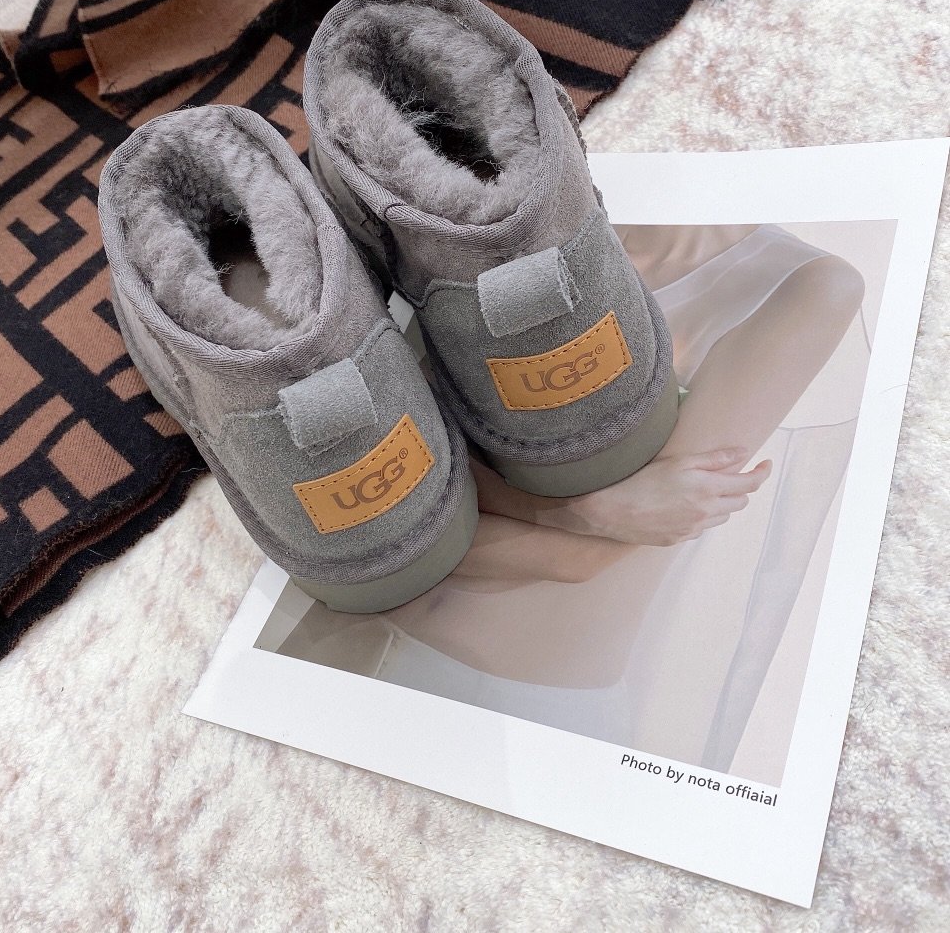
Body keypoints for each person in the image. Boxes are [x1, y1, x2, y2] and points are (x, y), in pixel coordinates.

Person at [274, 223, 869, 776]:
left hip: (510, 703)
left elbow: (584, 557)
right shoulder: (502, 221)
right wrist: (595, 509)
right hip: (337, 638)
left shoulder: (805, 288)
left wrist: (369, 551)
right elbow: (405, 444)